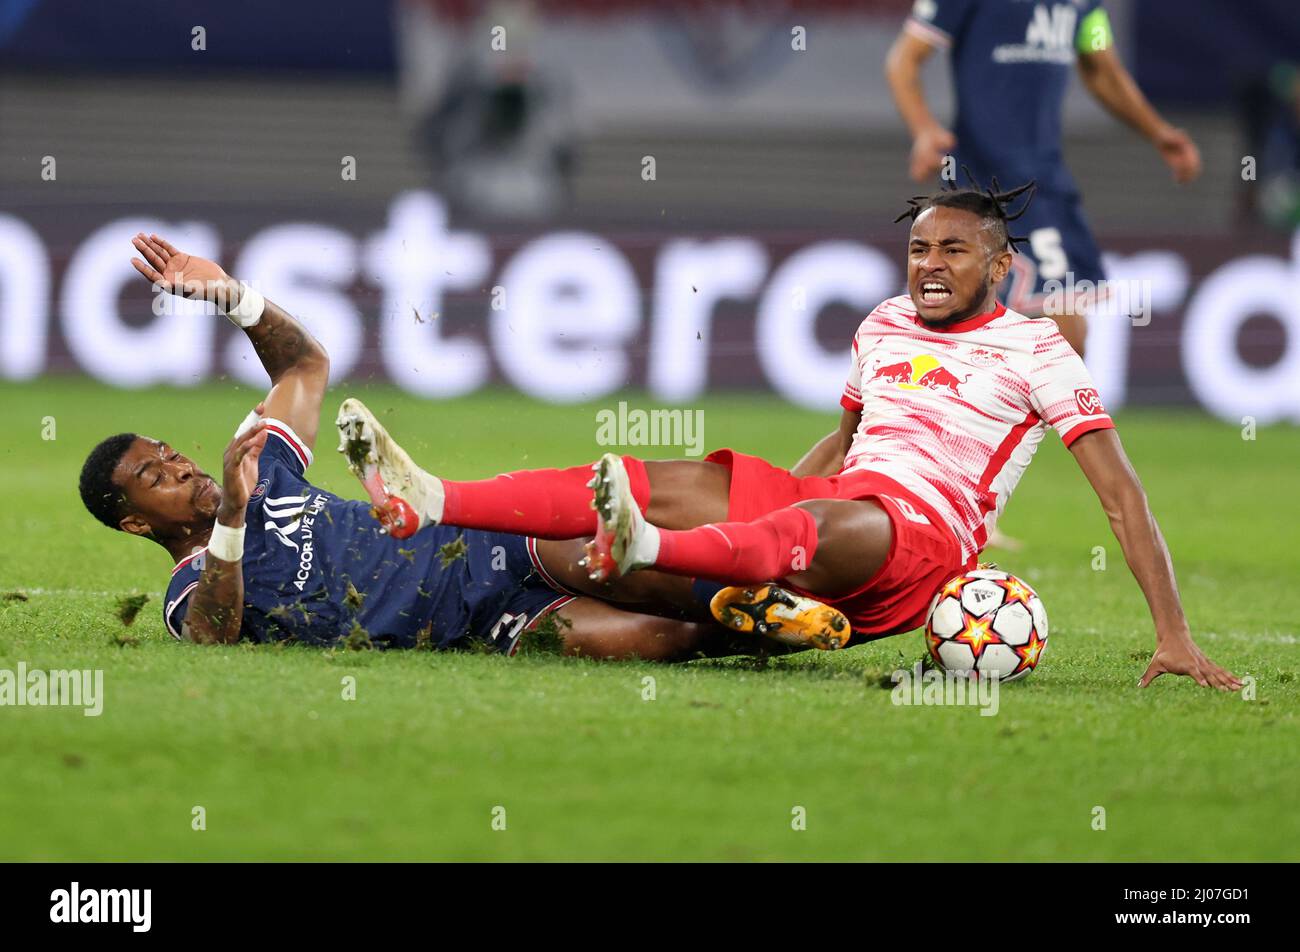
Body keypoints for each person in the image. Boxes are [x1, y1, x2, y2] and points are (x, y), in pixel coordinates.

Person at [339, 185, 1241, 691]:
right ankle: (436, 496)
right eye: (921, 249)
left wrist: (1173, 633)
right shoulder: (885, 324)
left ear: (1000, 266)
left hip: (924, 540)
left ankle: (676, 555)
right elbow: (846, 437)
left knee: (836, 530)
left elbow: (1122, 497)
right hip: (841, 500)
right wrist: (780, 485)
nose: (930, 266)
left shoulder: (1039, 351)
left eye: (954, 252)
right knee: (664, 473)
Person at [77, 234, 754, 662]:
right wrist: (230, 520)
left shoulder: (259, 461)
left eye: (168, 453)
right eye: (154, 477)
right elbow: (211, 636)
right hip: (483, 623)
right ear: (136, 522)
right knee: (665, 640)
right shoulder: (186, 592)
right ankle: (784, 625)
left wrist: (236, 299)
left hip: (480, 543)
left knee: (605, 556)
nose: (179, 467)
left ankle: (768, 564)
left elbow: (303, 366)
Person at [884, 0, 1202, 354]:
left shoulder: (1084, 6)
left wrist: (1158, 132)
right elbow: (904, 60)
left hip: (1044, 185)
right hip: (985, 182)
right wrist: (924, 130)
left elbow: (1101, 67)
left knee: (1046, 337)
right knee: (1058, 337)